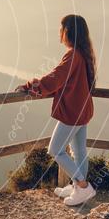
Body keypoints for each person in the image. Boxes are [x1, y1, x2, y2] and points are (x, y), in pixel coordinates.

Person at [14, 14, 97, 206]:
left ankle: (83, 187)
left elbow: (55, 78)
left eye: (62, 28)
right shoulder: (83, 54)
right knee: (79, 151)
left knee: (55, 150)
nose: (59, 32)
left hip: (73, 112)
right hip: (83, 109)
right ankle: (77, 186)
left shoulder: (73, 55)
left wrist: (30, 86)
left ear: (68, 32)